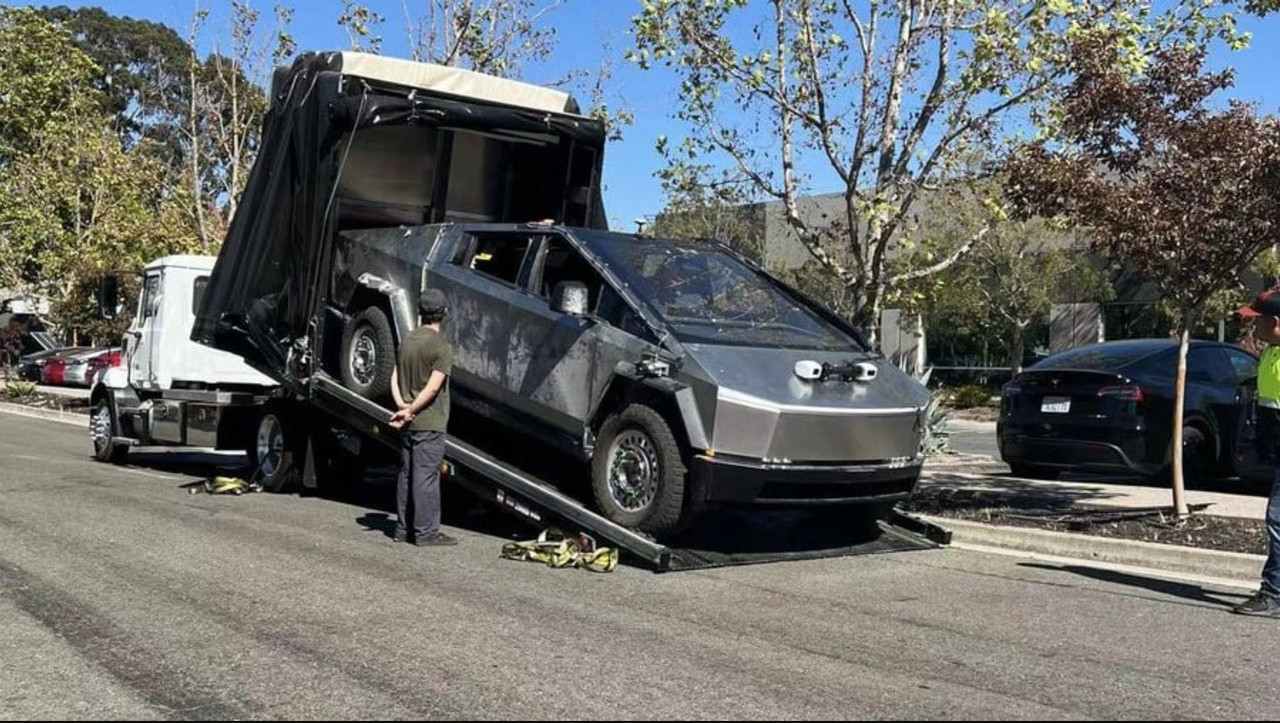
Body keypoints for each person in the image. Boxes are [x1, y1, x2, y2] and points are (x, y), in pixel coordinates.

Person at [389, 288, 457, 547]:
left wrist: (402, 406)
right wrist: (413, 409)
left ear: (420, 312)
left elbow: (394, 376)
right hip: (429, 421)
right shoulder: (442, 347)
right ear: (444, 313)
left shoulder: (406, 340)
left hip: (408, 421)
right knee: (425, 477)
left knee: (406, 474)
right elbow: (433, 388)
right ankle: (426, 533)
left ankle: (402, 529)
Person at [1232, 287, 1280, 616]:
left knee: (1278, 519)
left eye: (1257, 320)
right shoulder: (1270, 354)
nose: (1254, 327)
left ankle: (1274, 593)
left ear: (1275, 322)